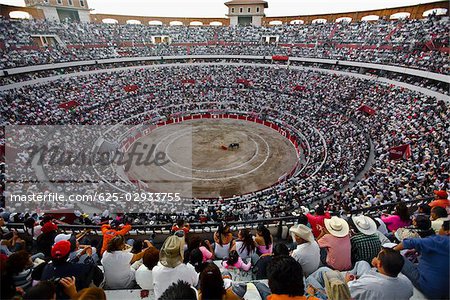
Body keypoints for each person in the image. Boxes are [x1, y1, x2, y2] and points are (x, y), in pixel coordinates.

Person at [306, 248, 413, 300]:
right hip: (372, 284)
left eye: (377, 256)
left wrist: (348, 281)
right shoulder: (407, 282)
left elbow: (343, 293)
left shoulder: (366, 286)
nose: (375, 257)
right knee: (362, 263)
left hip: (348, 291)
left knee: (312, 278)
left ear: (379, 264)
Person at [394, 220, 450, 299]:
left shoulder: (440, 240)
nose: (439, 230)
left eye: (441, 228)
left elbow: (408, 243)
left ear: (447, 231)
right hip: (446, 291)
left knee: (395, 256)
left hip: (429, 287)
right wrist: (416, 249)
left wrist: (393, 250)